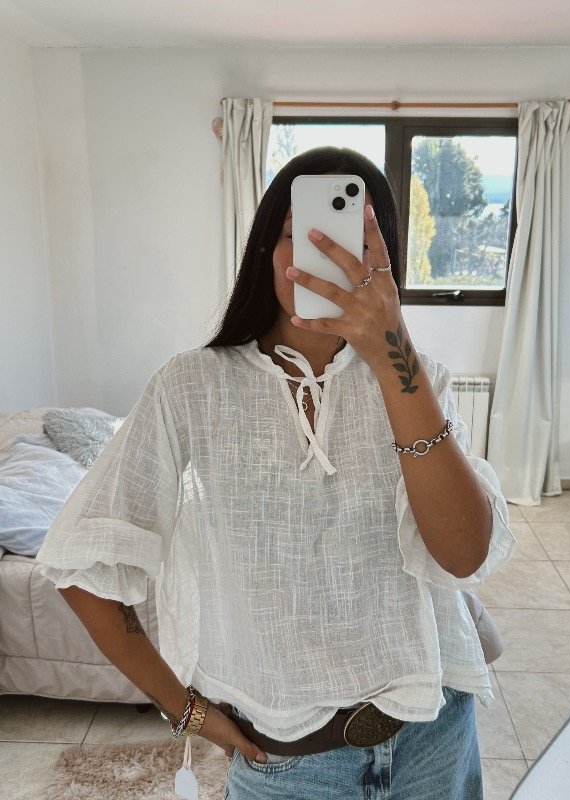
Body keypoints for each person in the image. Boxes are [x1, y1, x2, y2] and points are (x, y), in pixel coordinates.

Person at [36, 146, 516, 800]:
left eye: (354, 241)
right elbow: (78, 564)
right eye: (301, 234)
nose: (325, 254)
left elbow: (463, 555)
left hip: (434, 741)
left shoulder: (416, 378)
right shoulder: (191, 389)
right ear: (268, 249)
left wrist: (391, 353)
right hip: (290, 767)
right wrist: (187, 710)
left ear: (386, 262)